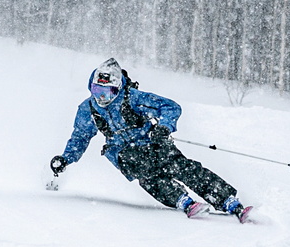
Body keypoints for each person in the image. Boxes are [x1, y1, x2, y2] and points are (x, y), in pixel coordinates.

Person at [49, 58, 253, 223]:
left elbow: (171, 107)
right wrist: (66, 159)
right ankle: (182, 200)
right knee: (147, 175)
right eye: (97, 92)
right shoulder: (89, 109)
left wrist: (164, 127)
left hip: (152, 142)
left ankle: (228, 200)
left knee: (181, 167)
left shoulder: (133, 98)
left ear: (117, 88)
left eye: (107, 92)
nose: (101, 98)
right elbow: (81, 136)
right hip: (122, 152)